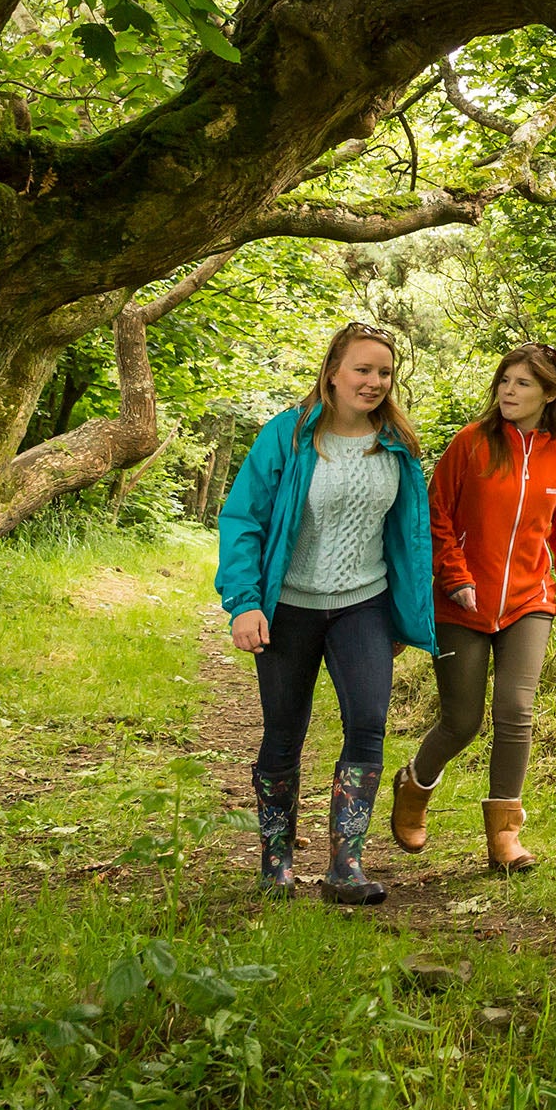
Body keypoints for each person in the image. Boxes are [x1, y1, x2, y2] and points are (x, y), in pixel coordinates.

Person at [214, 324, 437, 903]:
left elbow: (408, 535)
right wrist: (243, 603)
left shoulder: (396, 443)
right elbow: (244, 520)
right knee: (284, 732)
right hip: (289, 607)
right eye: (362, 369)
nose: (374, 382)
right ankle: (276, 859)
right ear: (333, 371)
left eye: (384, 372)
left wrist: (404, 612)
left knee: (368, 723)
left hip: (364, 604)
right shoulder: (287, 436)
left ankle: (347, 865)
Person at [390, 343, 556, 875]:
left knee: (516, 713)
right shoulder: (472, 443)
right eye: (505, 381)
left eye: (523, 383)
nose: (509, 391)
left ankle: (505, 836)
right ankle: (413, 786)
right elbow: (434, 515)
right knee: (461, 722)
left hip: (529, 602)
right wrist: (455, 578)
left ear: (550, 393)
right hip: (461, 603)